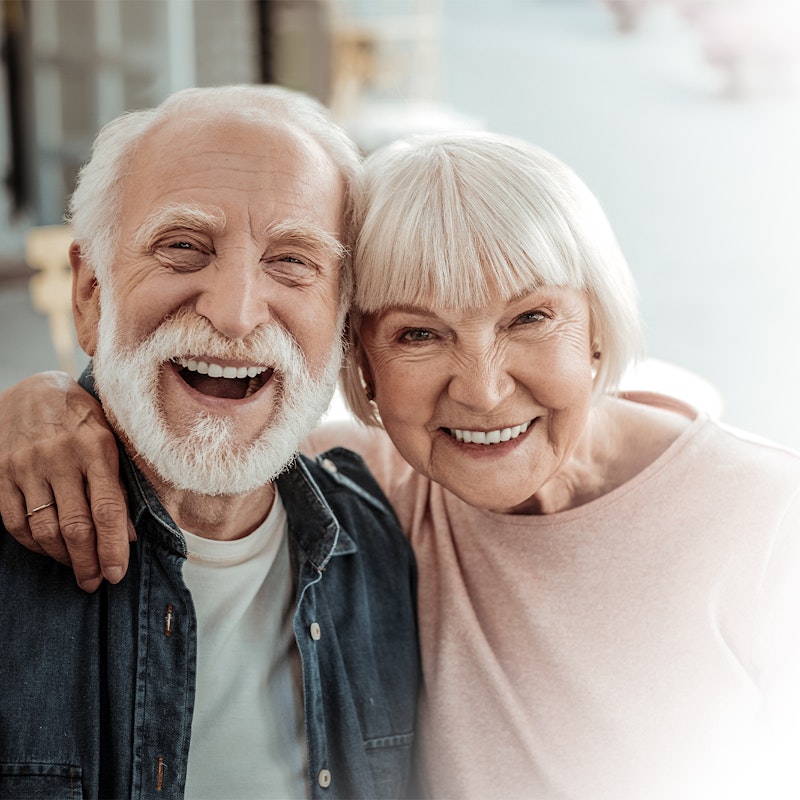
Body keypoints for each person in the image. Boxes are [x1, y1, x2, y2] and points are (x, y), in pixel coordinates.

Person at [2, 131, 800, 799]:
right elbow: (197, 432)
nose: (482, 390)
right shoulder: (368, 490)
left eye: (530, 317)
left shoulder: (768, 523)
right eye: (419, 334)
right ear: (361, 366)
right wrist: (40, 402)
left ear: (597, 328)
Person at [0, 85, 420, 800]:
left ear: (343, 319)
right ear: (91, 294)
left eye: (292, 260)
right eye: (183, 247)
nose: (235, 313)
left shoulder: (385, 542)